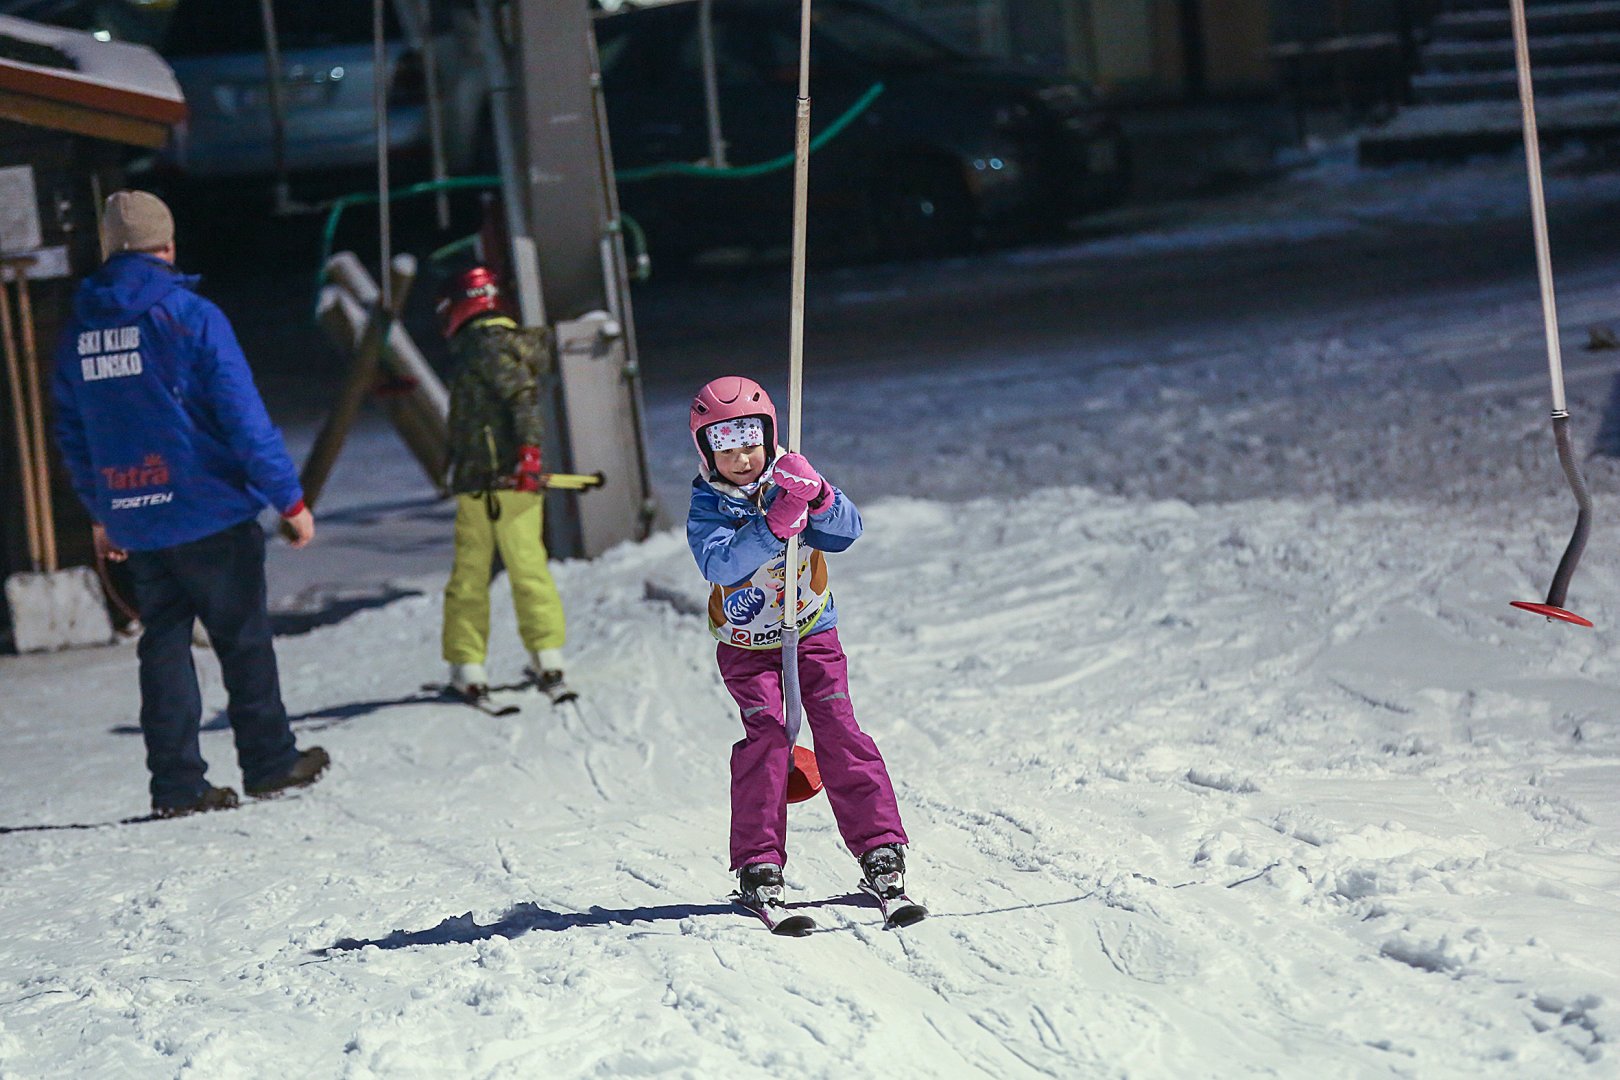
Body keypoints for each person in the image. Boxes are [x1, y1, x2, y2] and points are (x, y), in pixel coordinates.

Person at [52, 190, 329, 818]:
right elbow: (242, 416)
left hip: (136, 512)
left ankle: (177, 786)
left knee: (164, 643)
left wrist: (103, 511)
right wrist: (288, 499)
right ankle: (270, 762)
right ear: (168, 246)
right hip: (209, 508)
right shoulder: (191, 316)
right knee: (243, 638)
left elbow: (73, 433)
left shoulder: (78, 333)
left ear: (109, 251)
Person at [686, 375, 910, 907]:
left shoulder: (791, 478)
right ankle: (759, 860)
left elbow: (847, 532)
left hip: (811, 630)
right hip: (747, 645)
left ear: (768, 436)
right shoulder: (708, 505)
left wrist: (820, 497)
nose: (741, 459)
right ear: (706, 452)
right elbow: (720, 563)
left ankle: (880, 845)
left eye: (749, 443)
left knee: (837, 724)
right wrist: (771, 527)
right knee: (768, 735)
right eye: (725, 448)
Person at [435, 266, 570, 703]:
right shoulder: (488, 347)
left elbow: (521, 402)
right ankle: (542, 655)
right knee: (524, 567)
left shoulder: (485, 345)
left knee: (473, 576)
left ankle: (471, 661)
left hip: (495, 482)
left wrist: (528, 455)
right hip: (496, 483)